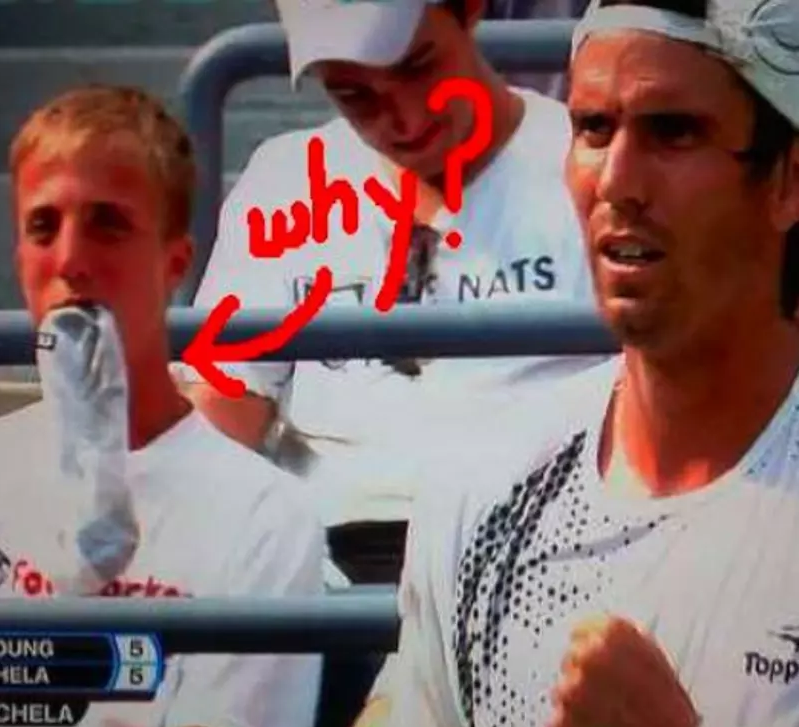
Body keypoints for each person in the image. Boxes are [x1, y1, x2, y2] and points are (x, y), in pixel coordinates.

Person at [384, 0, 799, 727]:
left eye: (673, 132)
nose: (617, 181)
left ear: (793, 183)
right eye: (592, 128)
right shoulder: (479, 483)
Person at [0, 85, 325, 727]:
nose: (71, 260)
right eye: (42, 226)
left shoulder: (268, 513)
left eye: (108, 224)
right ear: (20, 259)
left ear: (175, 264)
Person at [187, 0, 604, 561]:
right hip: (325, 564)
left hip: (540, 549)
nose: (405, 119)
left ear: (471, 10)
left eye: (419, 67)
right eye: (355, 94)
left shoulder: (589, 172)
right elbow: (223, 415)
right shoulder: (284, 178)